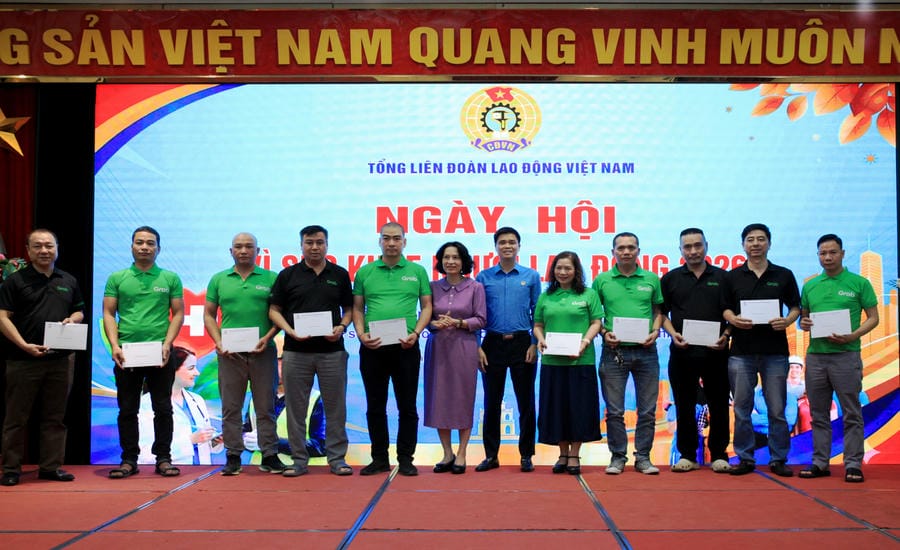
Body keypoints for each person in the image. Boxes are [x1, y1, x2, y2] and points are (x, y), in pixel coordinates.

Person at [0, 229, 84, 486]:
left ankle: (50, 467)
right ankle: (11, 469)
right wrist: (24, 345)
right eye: (38, 246)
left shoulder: (67, 280)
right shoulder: (15, 281)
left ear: (57, 248)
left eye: (49, 246)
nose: (44, 251)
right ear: (28, 251)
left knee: (55, 417)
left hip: (60, 359)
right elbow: (2, 317)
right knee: (16, 417)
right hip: (22, 358)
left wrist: (73, 319)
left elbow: (79, 311)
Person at [269, 225, 353, 477]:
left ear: (327, 244)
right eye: (309, 242)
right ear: (301, 245)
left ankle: (337, 459)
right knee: (296, 407)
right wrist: (289, 331)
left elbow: (349, 310)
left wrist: (340, 327)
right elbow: (274, 310)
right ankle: (298, 461)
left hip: (332, 352)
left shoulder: (339, 274)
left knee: (335, 406)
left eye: (319, 242)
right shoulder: (288, 275)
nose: (314, 247)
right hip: (296, 351)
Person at [103, 226, 185, 479]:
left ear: (158, 249)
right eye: (140, 242)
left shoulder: (169, 278)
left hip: (160, 353)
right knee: (127, 409)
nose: (145, 247)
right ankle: (129, 459)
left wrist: (167, 344)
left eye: (150, 243)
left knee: (163, 408)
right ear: (131, 246)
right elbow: (108, 313)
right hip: (127, 353)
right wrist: (115, 346)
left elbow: (178, 313)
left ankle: (163, 458)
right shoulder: (118, 277)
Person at [352, 222, 432, 476]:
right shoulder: (365, 272)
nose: (391, 243)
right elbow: (357, 308)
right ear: (379, 242)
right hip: (373, 348)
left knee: (407, 405)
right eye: (386, 238)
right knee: (375, 405)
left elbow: (427, 307)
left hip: (406, 347)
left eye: (396, 238)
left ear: (404, 242)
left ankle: (406, 458)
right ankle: (379, 458)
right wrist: (362, 335)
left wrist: (416, 333)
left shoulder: (417, 271)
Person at [798, 234, 879, 483]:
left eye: (833, 252)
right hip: (816, 358)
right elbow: (803, 320)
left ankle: (853, 464)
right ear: (818, 256)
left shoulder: (858, 283)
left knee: (851, 412)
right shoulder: (810, 285)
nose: (828, 257)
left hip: (846, 355)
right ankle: (820, 462)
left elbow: (873, 317)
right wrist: (805, 323)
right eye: (823, 253)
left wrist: (853, 334)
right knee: (818, 413)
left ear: (842, 254)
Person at [723, 223, 800, 477]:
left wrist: (787, 321)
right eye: (750, 240)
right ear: (743, 245)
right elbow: (725, 309)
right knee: (741, 408)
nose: (755, 244)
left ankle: (779, 458)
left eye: (761, 239)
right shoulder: (732, 276)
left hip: (774, 351)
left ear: (769, 243)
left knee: (777, 409)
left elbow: (796, 307)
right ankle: (745, 458)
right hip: (741, 352)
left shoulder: (783, 274)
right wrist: (733, 319)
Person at [204, 232, 282, 476]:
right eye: (238, 247)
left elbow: (280, 314)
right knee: (231, 406)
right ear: (231, 251)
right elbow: (208, 314)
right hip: (230, 354)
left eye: (249, 246)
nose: (244, 251)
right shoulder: (219, 279)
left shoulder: (272, 278)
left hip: (263, 352)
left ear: (258, 251)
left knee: (265, 406)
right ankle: (233, 456)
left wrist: (267, 339)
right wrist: (218, 341)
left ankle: (269, 455)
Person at [660, 228, 732, 474]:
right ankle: (688, 454)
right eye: (687, 247)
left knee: (719, 404)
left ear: (706, 246)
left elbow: (733, 314)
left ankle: (720, 454)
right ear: (680, 250)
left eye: (697, 245)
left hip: (717, 353)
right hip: (682, 353)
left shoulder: (723, 278)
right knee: (684, 405)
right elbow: (661, 314)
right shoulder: (670, 279)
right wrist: (672, 334)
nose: (693, 251)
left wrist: (726, 336)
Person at [592, 232, 664, 475]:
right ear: (613, 252)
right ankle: (617, 457)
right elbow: (594, 316)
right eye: (620, 248)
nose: (626, 251)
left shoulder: (652, 279)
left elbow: (658, 311)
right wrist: (603, 332)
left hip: (647, 351)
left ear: (638, 251)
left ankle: (643, 457)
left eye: (631, 247)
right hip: (614, 352)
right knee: (614, 410)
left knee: (647, 410)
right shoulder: (602, 280)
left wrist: (655, 331)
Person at [474, 227, 541, 473]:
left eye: (512, 242)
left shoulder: (531, 276)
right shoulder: (483, 277)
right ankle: (491, 456)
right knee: (491, 402)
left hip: (523, 343)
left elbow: (538, 314)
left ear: (519, 246)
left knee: (526, 402)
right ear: (496, 247)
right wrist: (476, 346)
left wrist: (535, 344)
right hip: (491, 343)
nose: (507, 246)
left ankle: (526, 455)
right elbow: (477, 314)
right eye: (502, 242)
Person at [533, 252, 603, 475]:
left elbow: (596, 322)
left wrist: (585, 341)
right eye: (559, 268)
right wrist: (541, 339)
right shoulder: (547, 296)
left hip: (581, 360)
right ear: (553, 271)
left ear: (576, 271)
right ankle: (562, 453)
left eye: (568, 268)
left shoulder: (588, 294)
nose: (563, 272)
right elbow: (537, 324)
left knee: (579, 408)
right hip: (552, 361)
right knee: (557, 408)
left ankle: (574, 454)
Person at [424, 241, 486, 475]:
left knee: (462, 398)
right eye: (446, 257)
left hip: (464, 347)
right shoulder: (432, 286)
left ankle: (462, 453)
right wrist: (433, 324)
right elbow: (426, 318)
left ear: (464, 261)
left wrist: (460, 323)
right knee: (438, 398)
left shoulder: (475, 287)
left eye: (456, 257)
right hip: (438, 346)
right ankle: (447, 452)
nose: (450, 261)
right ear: (440, 261)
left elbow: (481, 319)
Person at [139, 346, 223, 464]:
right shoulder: (146, 405)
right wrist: (190, 441)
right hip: (169, 477)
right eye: (191, 368)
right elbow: (145, 456)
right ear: (171, 370)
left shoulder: (197, 400)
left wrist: (214, 441)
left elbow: (202, 444)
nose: (197, 373)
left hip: (201, 473)